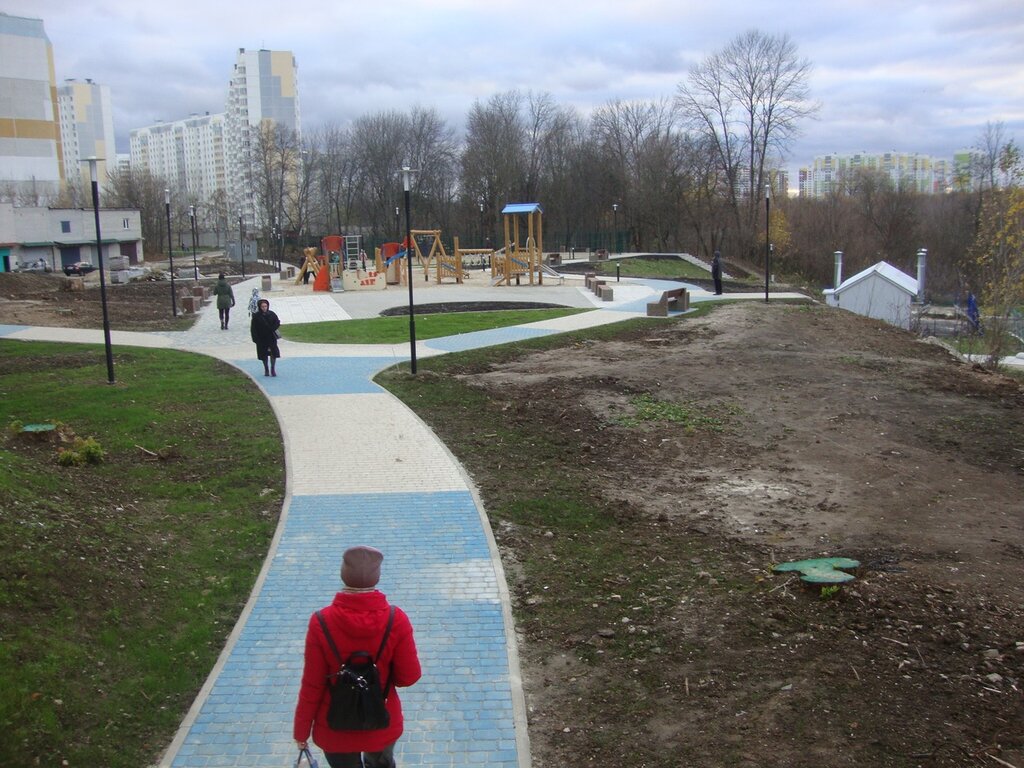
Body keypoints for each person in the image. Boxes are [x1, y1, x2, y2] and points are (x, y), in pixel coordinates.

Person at [294, 546, 421, 768]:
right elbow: (408, 677)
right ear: (377, 577)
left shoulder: (321, 621)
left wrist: (301, 731)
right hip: (381, 722)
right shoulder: (396, 619)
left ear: (343, 575)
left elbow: (312, 685)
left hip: (334, 727)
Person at [250, 298, 281, 376]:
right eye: (262, 306)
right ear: (259, 307)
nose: (264, 308)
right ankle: (266, 369)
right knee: (264, 354)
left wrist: (273, 328)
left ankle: (272, 368)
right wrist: (255, 339)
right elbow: (253, 328)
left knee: (273, 353)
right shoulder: (256, 316)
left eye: (265, 306)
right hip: (261, 338)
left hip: (271, 337)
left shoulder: (272, 314)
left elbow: (277, 322)